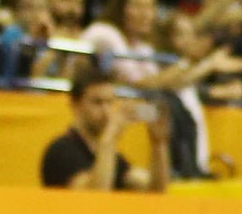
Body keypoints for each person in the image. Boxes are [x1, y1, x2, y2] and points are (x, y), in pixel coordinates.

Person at [40, 64, 172, 192]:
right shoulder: (61, 151)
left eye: (110, 102)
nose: (106, 112)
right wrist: (111, 135)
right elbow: (93, 197)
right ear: (76, 105)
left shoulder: (111, 157)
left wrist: (159, 143)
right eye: (97, 103)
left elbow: (154, 191)